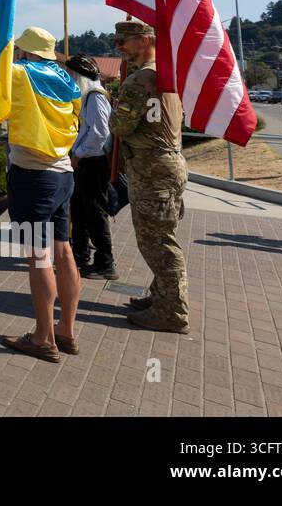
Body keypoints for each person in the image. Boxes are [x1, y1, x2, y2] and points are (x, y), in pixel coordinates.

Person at [0, 27, 82, 364]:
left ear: (25, 51)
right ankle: (66, 330)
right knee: (63, 251)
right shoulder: (67, 81)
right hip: (63, 174)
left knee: (39, 257)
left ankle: (42, 338)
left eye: (20, 49)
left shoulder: (20, 74)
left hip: (33, 177)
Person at [112, 19, 190, 334]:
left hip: (152, 168)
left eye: (123, 40)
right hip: (165, 166)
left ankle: (172, 311)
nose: (118, 47)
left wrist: (117, 105)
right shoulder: (166, 74)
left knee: (157, 242)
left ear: (145, 40)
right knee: (159, 237)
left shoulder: (139, 81)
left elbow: (120, 127)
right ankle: (161, 297)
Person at [65, 55, 116, 280]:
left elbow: (99, 134)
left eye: (71, 76)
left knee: (95, 212)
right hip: (86, 161)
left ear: (80, 76)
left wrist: (78, 154)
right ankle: (80, 254)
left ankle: (105, 262)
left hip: (93, 163)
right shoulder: (90, 96)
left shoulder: (95, 97)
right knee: (80, 210)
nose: (69, 80)